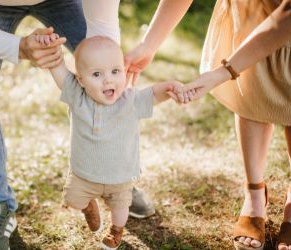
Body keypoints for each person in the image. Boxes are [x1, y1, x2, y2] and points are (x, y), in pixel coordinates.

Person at [0, 0, 155, 249]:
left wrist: (106, 79)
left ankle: (115, 182)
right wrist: (19, 47)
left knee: (104, 74)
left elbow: (103, 29)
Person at [123, 0, 291, 249]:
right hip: (247, 12)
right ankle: (255, 195)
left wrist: (221, 73)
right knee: (251, 93)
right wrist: (149, 44)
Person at [36, 34, 182, 249]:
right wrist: (52, 54)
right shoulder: (77, 96)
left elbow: (154, 94)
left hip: (120, 176)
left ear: (124, 71)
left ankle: (116, 230)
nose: (108, 80)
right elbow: (59, 70)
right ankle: (89, 207)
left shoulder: (130, 101)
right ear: (81, 80)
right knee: (72, 199)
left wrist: (169, 87)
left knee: (120, 208)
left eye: (115, 71)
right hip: (84, 174)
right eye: (97, 74)